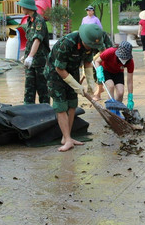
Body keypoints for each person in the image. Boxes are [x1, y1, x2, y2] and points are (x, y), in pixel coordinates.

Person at [44, 23, 106, 152]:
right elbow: (59, 68)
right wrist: (77, 86)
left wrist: (90, 83)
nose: (92, 48)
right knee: (61, 106)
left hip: (72, 71)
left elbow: (88, 62)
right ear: (83, 39)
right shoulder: (67, 43)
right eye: (90, 45)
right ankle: (67, 140)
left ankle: (67, 137)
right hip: (55, 73)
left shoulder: (91, 44)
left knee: (72, 104)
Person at [19, 0, 50, 104]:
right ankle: (28, 112)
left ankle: (45, 112)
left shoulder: (39, 21)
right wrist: (27, 55)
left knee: (43, 90)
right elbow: (30, 41)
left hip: (40, 62)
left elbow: (37, 40)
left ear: (27, 7)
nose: (21, 8)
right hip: (31, 62)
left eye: (22, 6)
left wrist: (30, 57)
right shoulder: (30, 20)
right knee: (29, 89)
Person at [94, 41, 134, 110]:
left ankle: (117, 110)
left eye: (125, 58)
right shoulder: (110, 52)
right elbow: (97, 61)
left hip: (118, 73)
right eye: (122, 57)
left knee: (120, 92)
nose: (124, 60)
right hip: (106, 70)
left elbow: (130, 81)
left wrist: (130, 97)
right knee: (110, 86)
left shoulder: (130, 62)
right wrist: (99, 71)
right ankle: (111, 109)